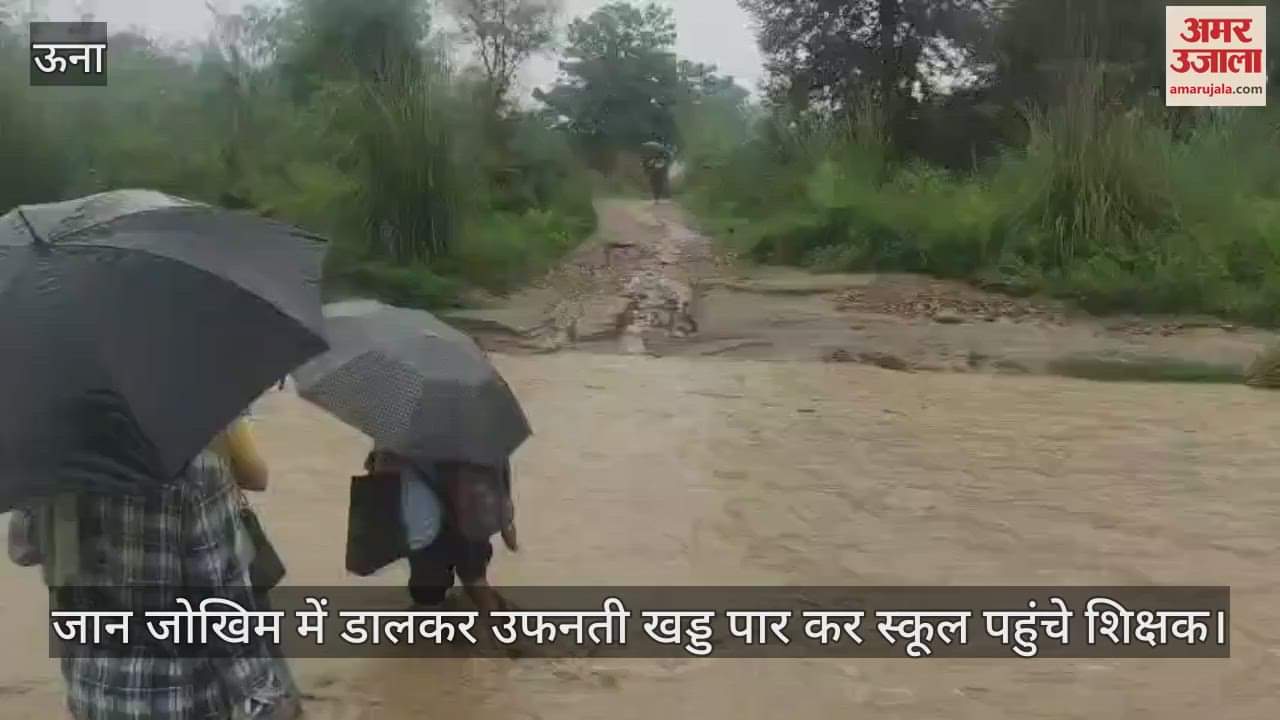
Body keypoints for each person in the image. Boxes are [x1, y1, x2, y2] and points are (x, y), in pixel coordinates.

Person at [11, 412, 300, 720]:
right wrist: (264, 695)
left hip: (92, 691)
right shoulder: (196, 471)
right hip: (179, 698)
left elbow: (23, 550)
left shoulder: (56, 465)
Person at [364, 451, 514, 612]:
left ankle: (445, 621)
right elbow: (499, 469)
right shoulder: (477, 434)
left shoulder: (404, 432)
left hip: (431, 522)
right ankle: (490, 623)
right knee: (472, 581)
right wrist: (507, 523)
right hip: (465, 518)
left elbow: (381, 468)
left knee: (434, 589)